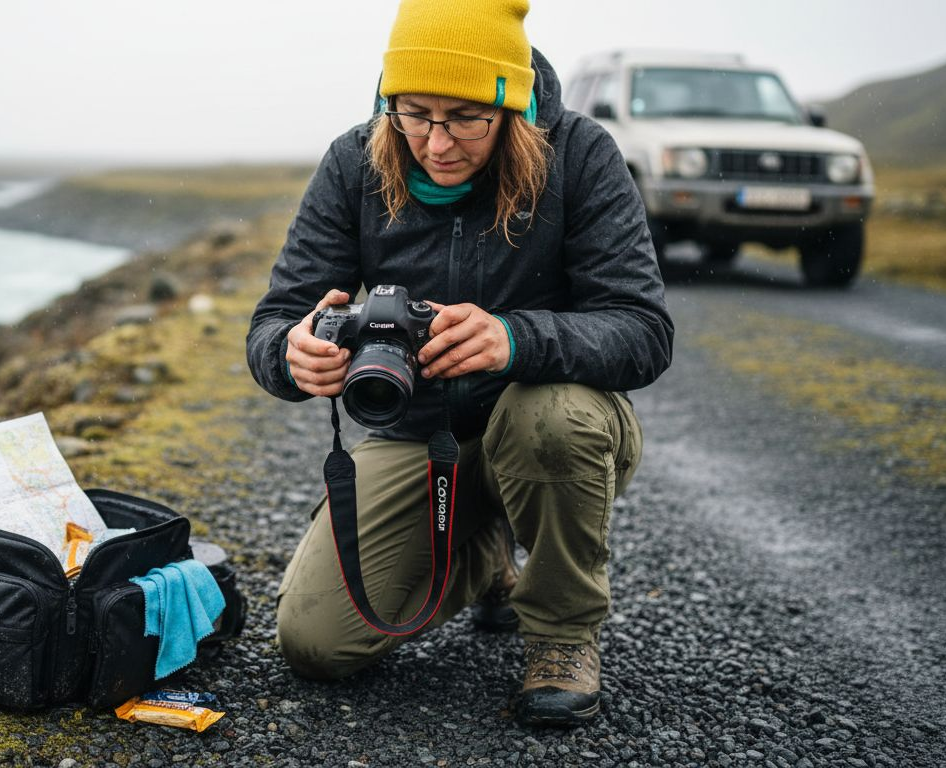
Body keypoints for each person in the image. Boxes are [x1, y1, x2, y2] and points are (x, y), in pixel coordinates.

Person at [245, 0, 672, 727]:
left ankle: (563, 636)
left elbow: (643, 330)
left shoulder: (580, 154)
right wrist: (292, 354)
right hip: (418, 439)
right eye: (413, 113)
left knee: (548, 415)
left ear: (510, 105)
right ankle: (482, 557)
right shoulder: (355, 160)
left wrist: (515, 339)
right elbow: (274, 319)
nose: (437, 143)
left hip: (554, 428)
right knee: (317, 642)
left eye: (465, 118)